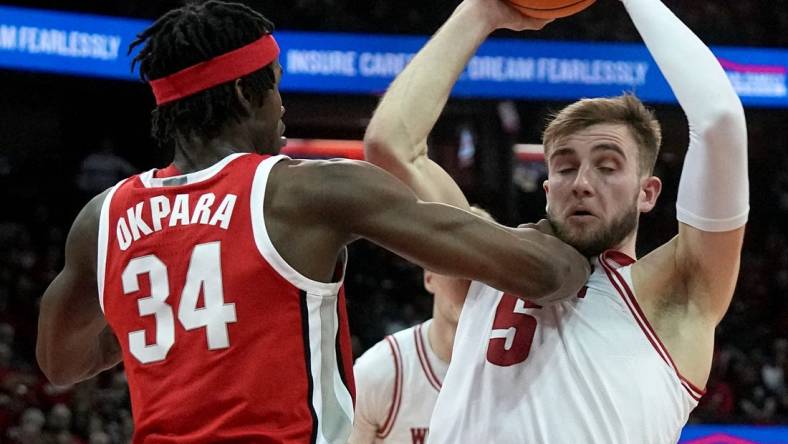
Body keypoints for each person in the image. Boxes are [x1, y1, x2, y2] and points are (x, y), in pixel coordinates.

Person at [34, 2, 590, 443]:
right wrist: (573, 252)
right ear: (241, 92)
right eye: (275, 84)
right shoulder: (305, 191)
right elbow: (539, 273)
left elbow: (60, 363)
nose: (282, 106)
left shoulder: (101, 219)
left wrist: (173, 323)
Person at [364, 0, 748, 441]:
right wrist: (479, 12)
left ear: (648, 192)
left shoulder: (676, 293)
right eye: (565, 167)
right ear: (547, 190)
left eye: (607, 166)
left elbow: (719, 120)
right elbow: (392, 146)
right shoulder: (488, 264)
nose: (582, 182)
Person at [349, 207, 492, 444]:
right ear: (429, 276)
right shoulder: (380, 371)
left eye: (481, 265)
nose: (469, 280)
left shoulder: (520, 373)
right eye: (456, 263)